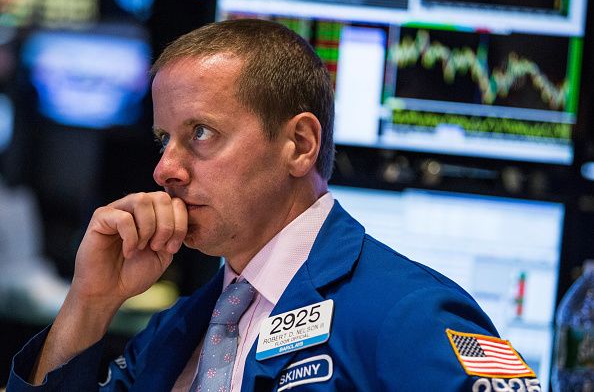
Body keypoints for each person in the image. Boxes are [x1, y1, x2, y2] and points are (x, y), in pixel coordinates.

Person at [8, 19, 540, 391]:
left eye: (200, 133)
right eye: (163, 138)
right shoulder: (175, 332)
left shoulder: (408, 314)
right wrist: (90, 302)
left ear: (299, 145)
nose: (164, 169)